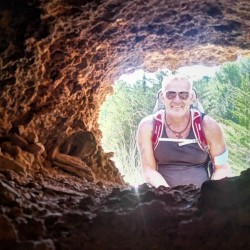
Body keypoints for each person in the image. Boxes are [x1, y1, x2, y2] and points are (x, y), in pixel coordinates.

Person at [137, 75, 230, 188]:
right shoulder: (148, 126)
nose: (177, 100)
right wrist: (170, 196)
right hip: (163, 197)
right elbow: (149, 170)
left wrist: (209, 193)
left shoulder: (209, 126)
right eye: (170, 94)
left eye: (183, 94)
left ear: (191, 97)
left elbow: (222, 167)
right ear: (162, 97)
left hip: (202, 199)